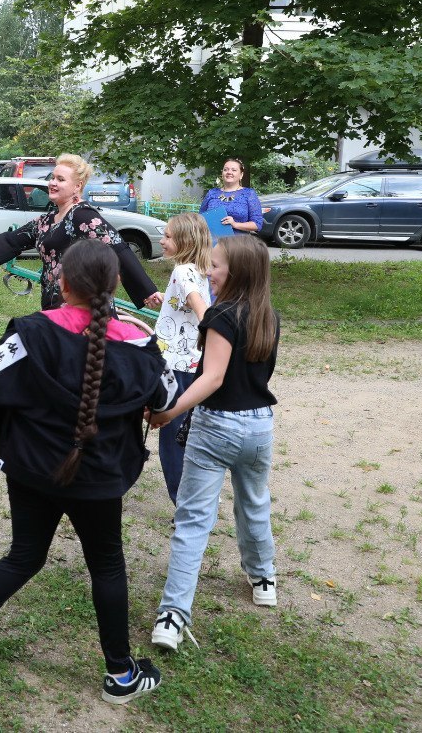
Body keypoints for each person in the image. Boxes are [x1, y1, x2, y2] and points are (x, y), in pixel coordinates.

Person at [0, 240, 176, 705]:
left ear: (63, 283)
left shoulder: (32, 333)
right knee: (107, 565)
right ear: (117, 283)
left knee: (23, 556)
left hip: (31, 469)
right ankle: (121, 674)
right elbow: (166, 398)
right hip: (99, 480)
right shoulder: (142, 345)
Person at [148, 235, 280, 652]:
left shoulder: (222, 316)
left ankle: (172, 616)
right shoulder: (268, 315)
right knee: (254, 502)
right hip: (259, 427)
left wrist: (169, 412)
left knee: (192, 521)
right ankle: (264, 579)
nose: (208, 271)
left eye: (216, 266)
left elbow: (213, 377)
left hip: (217, 427)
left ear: (236, 272)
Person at [0, 154, 162, 311]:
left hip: (84, 310)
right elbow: (11, 241)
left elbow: (118, 248)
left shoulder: (83, 216)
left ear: (77, 186)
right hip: (53, 305)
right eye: (52, 178)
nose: (52, 183)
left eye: (60, 179)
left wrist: (147, 290)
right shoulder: (47, 220)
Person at [152, 213, 212, 505]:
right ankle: (197, 494)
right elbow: (189, 300)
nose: (162, 241)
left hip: (177, 364)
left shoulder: (183, 270)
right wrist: (168, 299)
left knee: (173, 436)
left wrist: (210, 327)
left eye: (168, 236)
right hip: (192, 361)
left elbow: (201, 310)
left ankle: (185, 503)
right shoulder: (199, 270)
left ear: (185, 241)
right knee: (188, 432)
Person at [199, 158, 263, 235]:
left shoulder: (249, 194)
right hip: (213, 240)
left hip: (238, 241)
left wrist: (235, 224)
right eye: (225, 169)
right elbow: (200, 218)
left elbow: (257, 224)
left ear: (241, 175)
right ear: (222, 174)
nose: (229, 172)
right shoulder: (212, 193)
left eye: (234, 170)